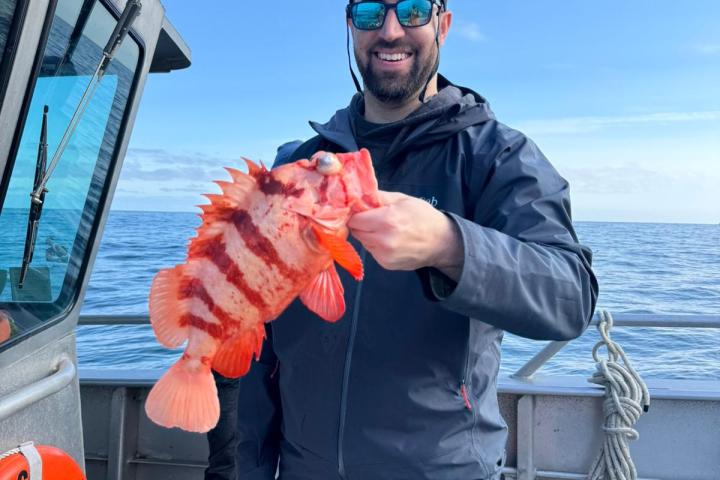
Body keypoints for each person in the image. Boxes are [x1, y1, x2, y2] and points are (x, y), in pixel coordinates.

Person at [206, 1, 598, 479]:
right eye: (370, 12)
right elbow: (256, 348)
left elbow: (571, 297)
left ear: (443, 25)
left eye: (412, 9)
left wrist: (451, 245)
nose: (390, 31)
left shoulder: (498, 155)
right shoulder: (301, 166)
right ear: (351, 27)